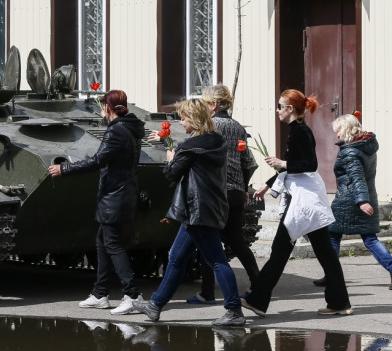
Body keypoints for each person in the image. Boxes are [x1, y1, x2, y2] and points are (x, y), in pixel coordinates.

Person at [133, 98, 246, 326]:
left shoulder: (190, 146)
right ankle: (155, 305)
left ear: (194, 119)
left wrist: (170, 158)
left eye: (183, 118)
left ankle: (234, 311)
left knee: (217, 260)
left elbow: (171, 174)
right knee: (176, 257)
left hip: (197, 209)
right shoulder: (216, 140)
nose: (181, 122)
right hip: (209, 206)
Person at [242, 89, 352, 317]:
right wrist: (269, 182)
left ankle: (257, 299)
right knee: (325, 255)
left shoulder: (299, 131)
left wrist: (282, 163)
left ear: (290, 109)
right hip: (309, 203)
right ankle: (339, 302)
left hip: (304, 205)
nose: (277, 110)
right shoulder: (299, 130)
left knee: (280, 252)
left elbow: (308, 165)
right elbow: (296, 167)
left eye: (280, 106)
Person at [47, 90, 145, 315]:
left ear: (108, 108)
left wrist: (65, 168)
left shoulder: (116, 131)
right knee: (102, 241)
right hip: (120, 193)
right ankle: (100, 293)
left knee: (113, 244)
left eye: (103, 107)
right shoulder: (130, 128)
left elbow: (98, 160)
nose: (101, 111)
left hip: (115, 196)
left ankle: (133, 295)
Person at [183, 84, 259, 304]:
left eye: (205, 103)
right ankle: (257, 283)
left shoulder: (211, 127)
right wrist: (244, 188)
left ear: (213, 105)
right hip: (236, 192)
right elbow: (247, 161)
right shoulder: (238, 127)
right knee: (237, 241)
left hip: (216, 191)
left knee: (209, 241)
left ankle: (207, 292)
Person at [311, 114, 392, 289]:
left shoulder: (350, 151)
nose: (337, 135)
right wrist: (365, 199)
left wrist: (361, 201)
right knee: (370, 239)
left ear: (346, 129)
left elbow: (357, 178)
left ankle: (331, 275)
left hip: (349, 201)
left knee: (332, 235)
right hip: (366, 196)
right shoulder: (366, 146)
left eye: (338, 130)